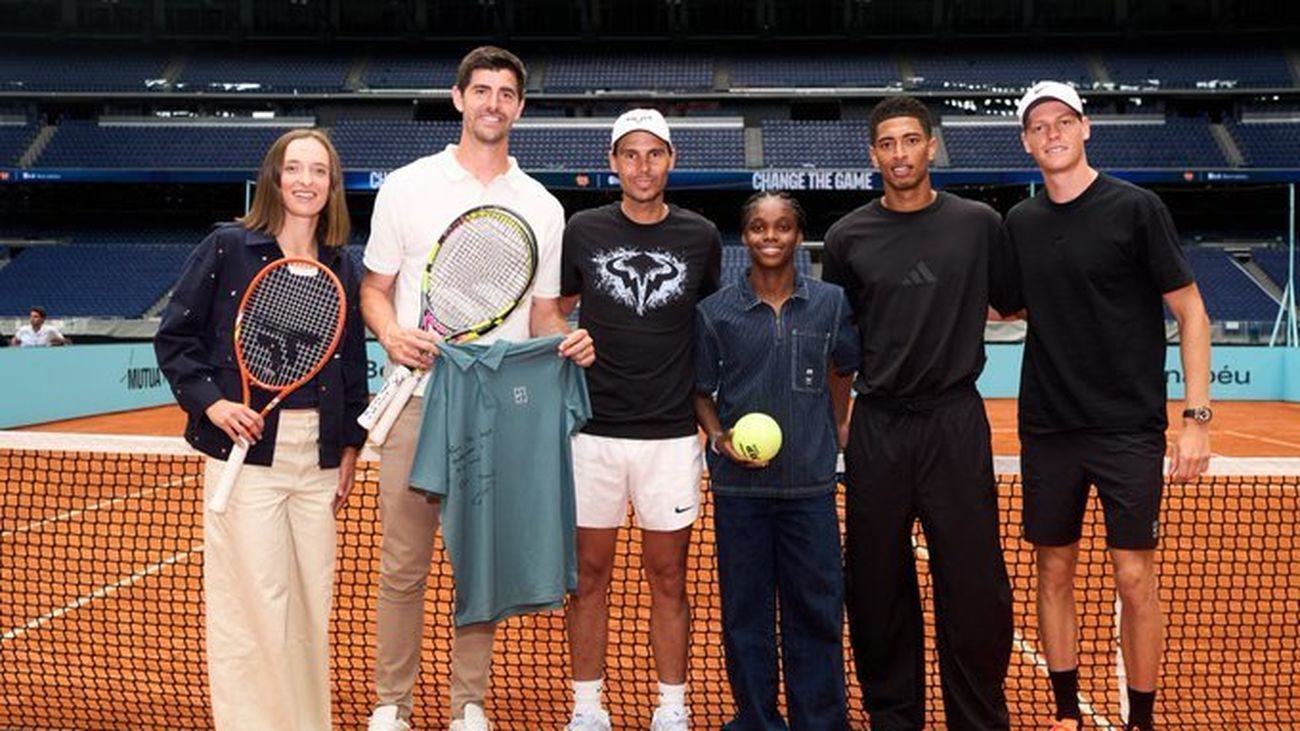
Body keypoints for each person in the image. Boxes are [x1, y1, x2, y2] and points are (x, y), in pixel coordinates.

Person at [359, 46, 593, 731]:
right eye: (482, 90)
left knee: (480, 567)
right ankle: (390, 706)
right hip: (417, 403)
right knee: (403, 566)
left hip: (494, 412)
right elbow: (375, 291)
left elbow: (543, 312)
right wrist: (392, 336)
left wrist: (568, 338)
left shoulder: (542, 207)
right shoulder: (406, 186)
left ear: (520, 107)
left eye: (506, 93)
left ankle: (470, 705)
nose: (493, 102)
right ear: (458, 98)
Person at [1006, 81, 1212, 731]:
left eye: (1062, 121)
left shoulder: (1136, 208)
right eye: (1038, 127)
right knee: (1054, 569)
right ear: (1025, 142)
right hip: (1049, 424)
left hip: (1128, 425)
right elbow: (1003, 304)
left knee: (1133, 577)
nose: (1052, 134)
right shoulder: (1020, 222)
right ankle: (1066, 713)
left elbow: (1191, 310)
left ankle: (1141, 719)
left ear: (1085, 127)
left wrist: (1196, 417)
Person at [153, 128, 367, 730]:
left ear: (332, 185)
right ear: (274, 178)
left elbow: (349, 362)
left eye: (318, 171)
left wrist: (350, 444)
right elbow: (176, 337)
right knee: (251, 610)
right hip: (245, 458)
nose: (305, 181)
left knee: (308, 609)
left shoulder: (340, 263)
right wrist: (215, 406)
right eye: (293, 168)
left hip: (318, 459)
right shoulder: (228, 246)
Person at [822, 95, 1016, 731]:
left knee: (976, 585)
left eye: (911, 140)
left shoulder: (980, 224)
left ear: (931, 146)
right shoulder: (848, 237)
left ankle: (977, 719)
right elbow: (840, 348)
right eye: (887, 144)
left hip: (955, 422)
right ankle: (893, 717)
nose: (899, 154)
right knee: (875, 588)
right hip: (878, 427)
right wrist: (843, 422)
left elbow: (1016, 304)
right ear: (873, 153)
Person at [560, 108, 722, 731]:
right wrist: (562, 339)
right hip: (592, 433)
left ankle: (672, 709)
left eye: (654, 154)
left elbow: (705, 319)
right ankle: (586, 709)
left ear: (671, 160)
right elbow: (558, 308)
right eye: (630, 155)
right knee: (590, 576)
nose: (643, 166)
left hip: (670, 435)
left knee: (669, 577)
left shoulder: (700, 235)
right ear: (613, 164)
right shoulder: (584, 229)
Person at [693, 191, 858, 731]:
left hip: (809, 488)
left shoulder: (831, 302)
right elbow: (700, 389)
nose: (771, 236)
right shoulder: (714, 312)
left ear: (795, 234)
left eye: (782, 226)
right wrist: (718, 438)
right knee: (746, 617)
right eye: (760, 227)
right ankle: (758, 720)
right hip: (740, 493)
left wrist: (833, 430)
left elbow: (842, 369)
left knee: (816, 612)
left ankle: (821, 721)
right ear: (745, 236)